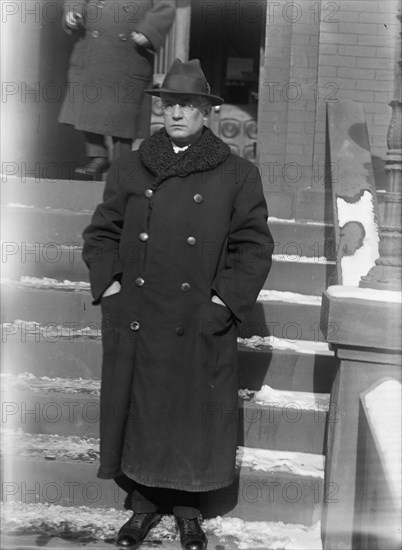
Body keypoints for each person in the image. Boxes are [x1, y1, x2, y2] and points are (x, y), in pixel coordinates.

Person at [82, 58, 274, 550]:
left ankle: (190, 510)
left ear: (206, 113)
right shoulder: (131, 165)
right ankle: (142, 507)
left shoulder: (237, 173)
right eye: (169, 105)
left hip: (197, 316)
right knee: (144, 407)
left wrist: (222, 300)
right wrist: (111, 286)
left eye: (187, 106)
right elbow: (101, 232)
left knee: (192, 410)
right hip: (140, 312)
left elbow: (253, 247)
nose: (176, 114)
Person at [59, 0, 175, 178]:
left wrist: (149, 31)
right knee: (87, 103)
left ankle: (122, 163)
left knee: (123, 114)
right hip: (91, 49)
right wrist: (72, 12)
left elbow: (165, 6)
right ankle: (98, 155)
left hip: (129, 51)